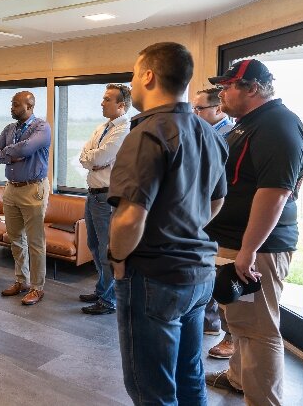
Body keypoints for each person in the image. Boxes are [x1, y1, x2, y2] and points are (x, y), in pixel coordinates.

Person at [108, 42, 228, 404]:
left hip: (154, 278)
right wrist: (185, 228)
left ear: (148, 75)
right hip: (198, 276)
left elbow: (130, 218)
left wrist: (116, 261)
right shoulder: (209, 133)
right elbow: (217, 199)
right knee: (190, 378)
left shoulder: (146, 134)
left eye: (133, 73)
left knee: (151, 390)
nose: (133, 80)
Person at [204, 59, 303, 405]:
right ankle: (238, 380)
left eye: (228, 86)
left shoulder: (277, 124)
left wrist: (248, 252)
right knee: (238, 321)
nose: (222, 93)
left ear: (252, 88)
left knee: (258, 330)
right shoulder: (246, 124)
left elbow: (275, 193)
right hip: (235, 243)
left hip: (257, 249)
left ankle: (262, 399)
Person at [0, 91, 51, 306]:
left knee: (35, 242)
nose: (12, 108)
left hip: (33, 189)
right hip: (11, 189)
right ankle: (21, 281)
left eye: (16, 105)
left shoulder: (42, 128)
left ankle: (37, 287)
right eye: (12, 104)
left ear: (29, 105)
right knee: (15, 238)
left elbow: (27, 148)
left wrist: (9, 152)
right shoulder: (9, 128)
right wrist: (13, 154)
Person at [77, 84, 131, 315]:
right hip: (92, 195)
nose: (101, 103)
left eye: (107, 99)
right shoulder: (102, 128)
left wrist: (96, 160)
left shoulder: (124, 129)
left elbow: (103, 156)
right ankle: (102, 290)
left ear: (121, 105)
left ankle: (109, 300)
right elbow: (85, 157)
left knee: (106, 251)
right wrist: (94, 161)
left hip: (108, 196)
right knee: (93, 245)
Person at [193, 86, 236, 358]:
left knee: (222, 275)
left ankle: (229, 336)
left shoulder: (227, 136)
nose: (194, 113)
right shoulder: (207, 133)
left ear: (217, 109)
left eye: (199, 109)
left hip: (221, 216)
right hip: (207, 214)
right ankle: (209, 324)